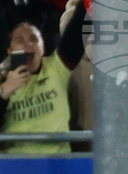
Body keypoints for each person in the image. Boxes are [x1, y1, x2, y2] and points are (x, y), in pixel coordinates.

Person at [0, 0, 86, 154]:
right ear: (9, 50)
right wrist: (4, 93)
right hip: (15, 164)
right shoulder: (2, 80)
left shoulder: (56, 67)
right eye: (19, 41)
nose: (28, 45)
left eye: (34, 39)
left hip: (59, 161)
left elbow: (78, 29)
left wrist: (86, 6)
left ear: (43, 47)